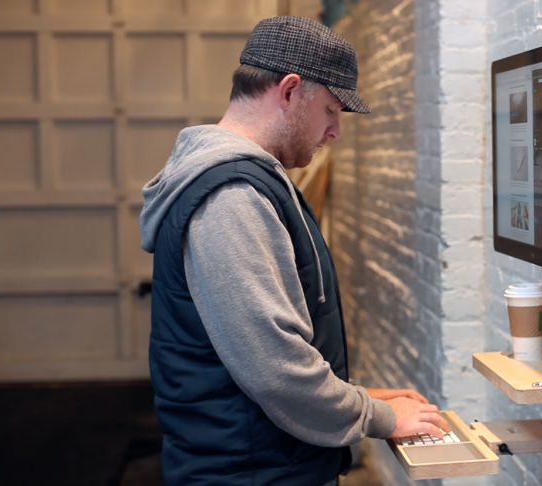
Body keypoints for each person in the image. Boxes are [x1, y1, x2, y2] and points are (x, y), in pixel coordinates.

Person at [138, 16, 450, 486]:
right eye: (330, 110)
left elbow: (258, 352)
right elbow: (275, 370)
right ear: (288, 90)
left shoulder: (253, 183)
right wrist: (379, 417)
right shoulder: (232, 197)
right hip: (250, 473)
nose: (335, 132)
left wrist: (357, 397)